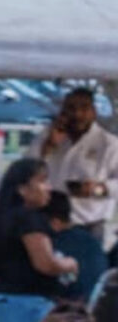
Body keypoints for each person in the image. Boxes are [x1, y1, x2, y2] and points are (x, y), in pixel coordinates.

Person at [42, 86, 118, 248]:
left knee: (87, 271)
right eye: (71, 108)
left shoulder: (109, 144)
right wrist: (50, 145)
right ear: (63, 111)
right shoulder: (50, 136)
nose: (77, 114)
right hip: (50, 221)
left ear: (94, 111)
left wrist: (99, 188)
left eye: (84, 108)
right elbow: (25, 169)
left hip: (88, 223)